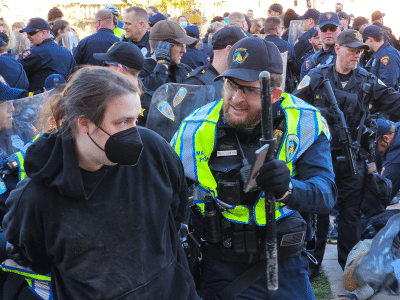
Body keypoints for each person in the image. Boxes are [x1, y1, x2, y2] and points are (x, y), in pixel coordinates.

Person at [2, 66, 199, 300]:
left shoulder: (153, 149)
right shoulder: (36, 197)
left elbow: (177, 210)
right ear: (84, 124)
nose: (134, 134)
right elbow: (36, 258)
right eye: (122, 122)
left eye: (136, 119)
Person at [172, 36, 336, 300]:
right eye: (229, 84)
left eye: (248, 89)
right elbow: (163, 196)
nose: (235, 99)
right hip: (223, 265)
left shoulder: (306, 122)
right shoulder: (195, 128)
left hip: (286, 264)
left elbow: (327, 194)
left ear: (274, 94)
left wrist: (289, 190)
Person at [293, 29, 400, 270]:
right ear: (338, 49)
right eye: (352, 51)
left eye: (360, 52)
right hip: (320, 157)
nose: (356, 56)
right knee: (318, 210)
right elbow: (293, 107)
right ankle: (312, 263)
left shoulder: (367, 80)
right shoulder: (316, 76)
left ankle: (349, 266)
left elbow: (394, 102)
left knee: (350, 213)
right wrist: (321, 115)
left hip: (353, 156)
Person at [93, 41, 149, 126]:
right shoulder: (149, 99)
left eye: (106, 64)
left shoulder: (110, 100)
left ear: (119, 68)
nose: (104, 69)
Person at [184, 26, 247, 100]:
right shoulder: (197, 83)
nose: (247, 56)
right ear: (229, 51)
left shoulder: (235, 79)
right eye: (244, 52)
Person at [18, 18, 76, 93]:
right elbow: (75, 75)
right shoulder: (65, 51)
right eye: (27, 33)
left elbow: (16, 72)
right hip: (63, 98)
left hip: (39, 99)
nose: (28, 36)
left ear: (43, 33)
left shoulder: (35, 52)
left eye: (31, 33)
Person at [139, 20, 195, 95]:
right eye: (179, 45)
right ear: (161, 45)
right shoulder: (139, 70)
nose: (184, 50)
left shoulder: (184, 69)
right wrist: (162, 65)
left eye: (184, 45)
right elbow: (146, 94)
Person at [300, 12, 341, 81]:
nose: (328, 32)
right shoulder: (310, 61)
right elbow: (302, 90)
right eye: (324, 29)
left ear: (339, 29)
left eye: (332, 28)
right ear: (318, 30)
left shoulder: (347, 57)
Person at [264, 16, 298, 92]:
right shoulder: (287, 46)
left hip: (263, 84)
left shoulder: (259, 45)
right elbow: (294, 68)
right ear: (277, 30)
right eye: (281, 28)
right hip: (283, 85)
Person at [363, 25, 400, 91]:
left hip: (387, 100)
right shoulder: (380, 54)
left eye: (364, 40)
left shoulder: (387, 55)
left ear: (369, 39)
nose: (364, 44)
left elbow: (387, 85)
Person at [375, 119, 400, 201]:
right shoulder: (394, 130)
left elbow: (382, 195)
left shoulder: (396, 153)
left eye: (373, 144)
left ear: (386, 138)